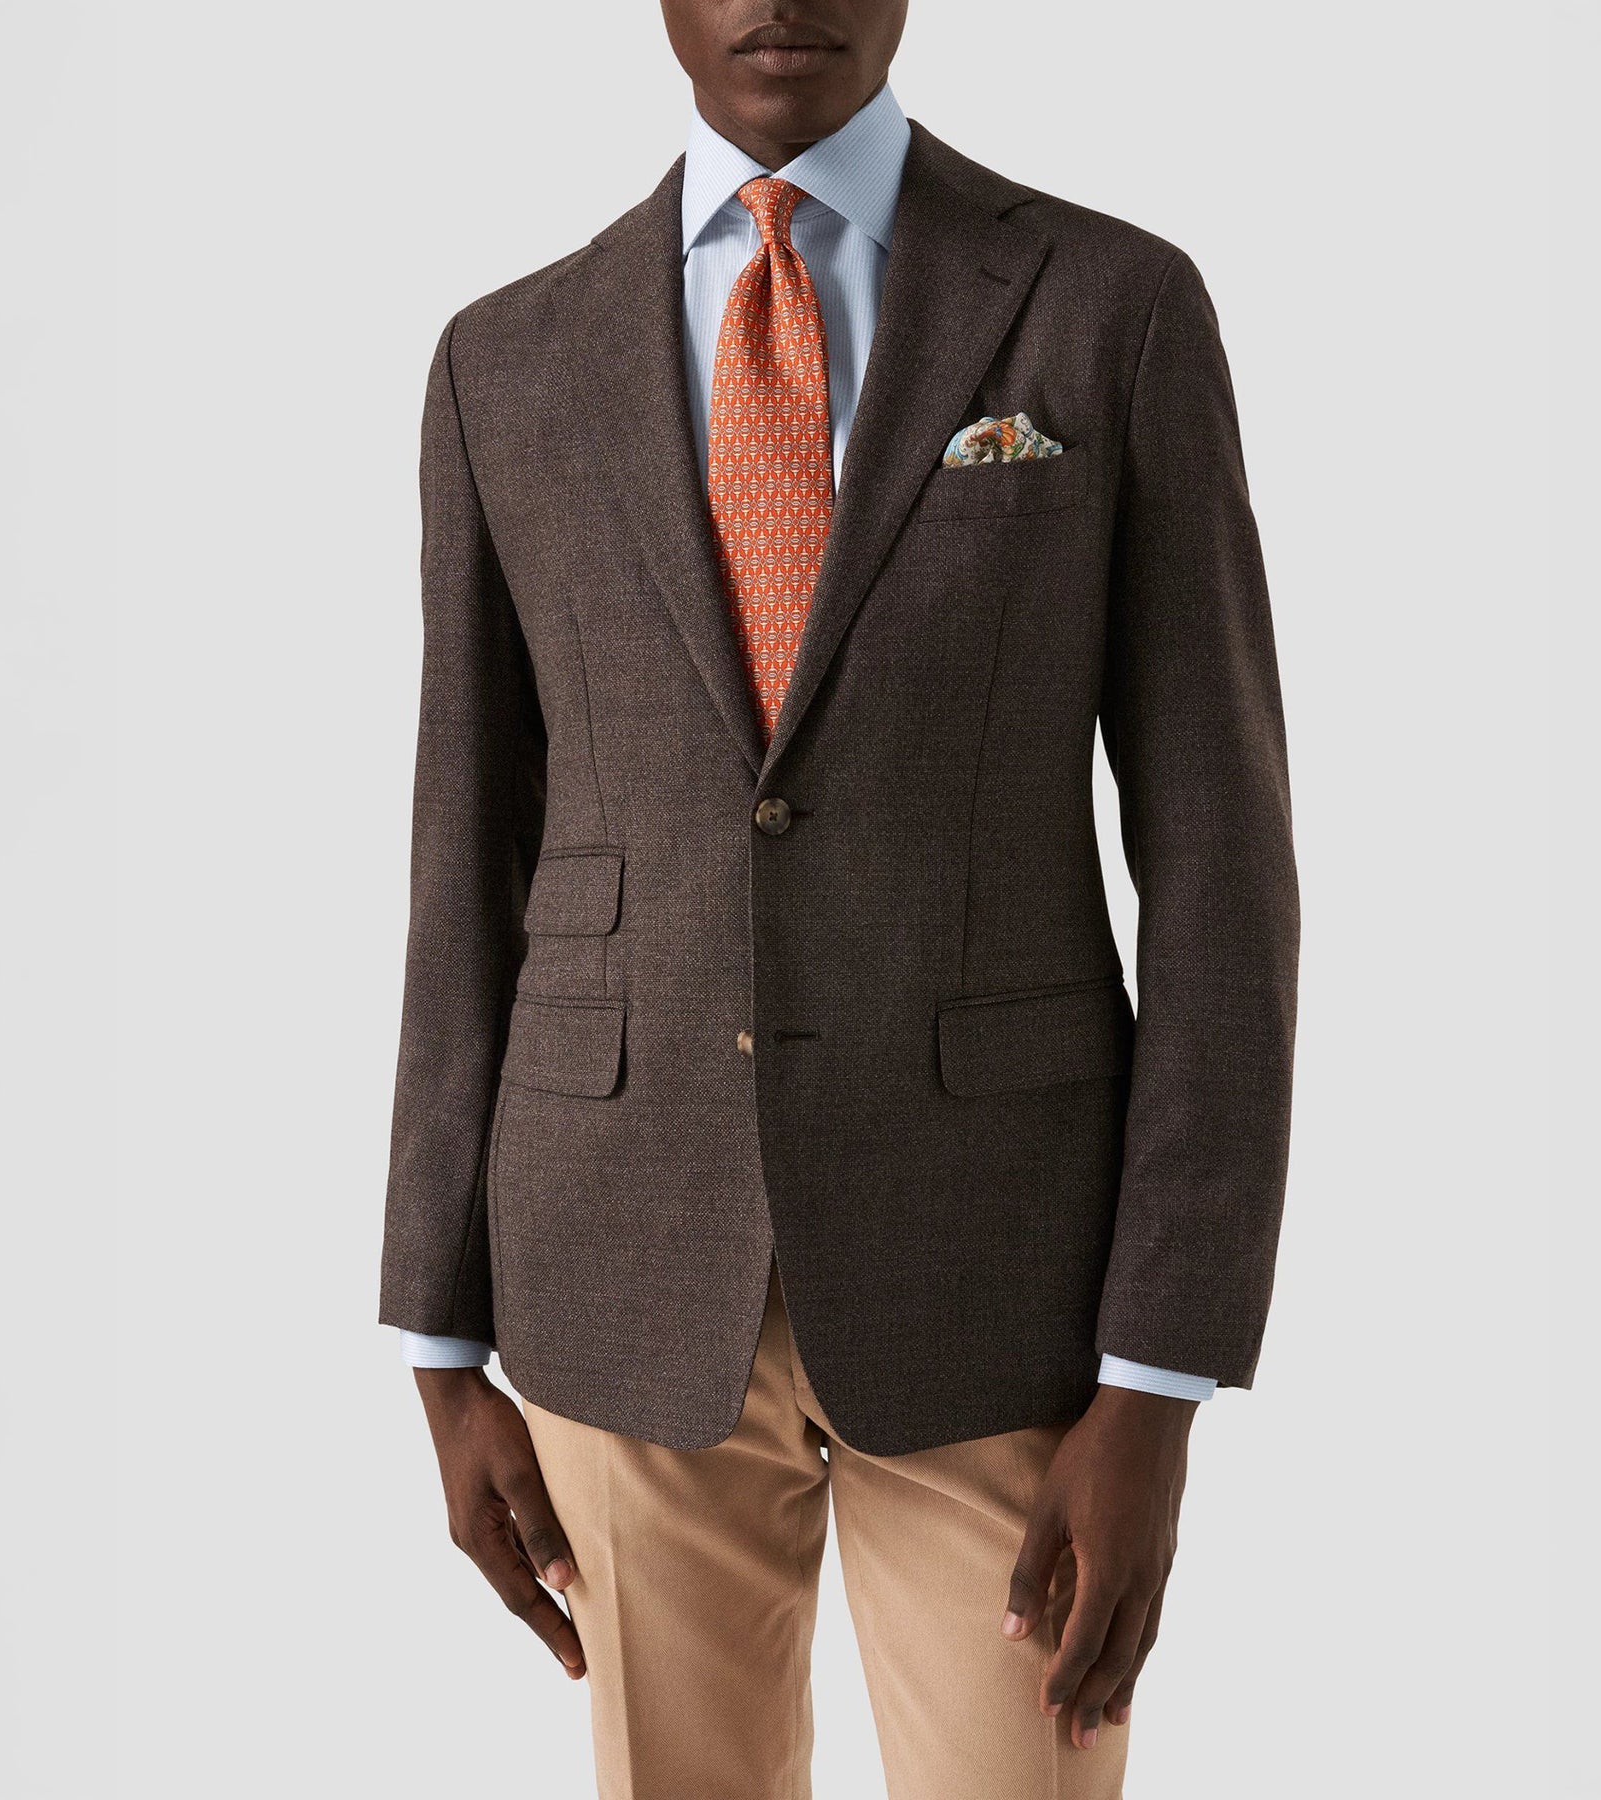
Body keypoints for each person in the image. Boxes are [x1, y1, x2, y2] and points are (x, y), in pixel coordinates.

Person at [379, 3, 1299, 1795]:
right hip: (615, 1264)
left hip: (1008, 1286)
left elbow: (1220, 865)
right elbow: (466, 850)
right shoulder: (507, 360)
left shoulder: (1110, 309)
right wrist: (437, 1330)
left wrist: (1161, 1376)